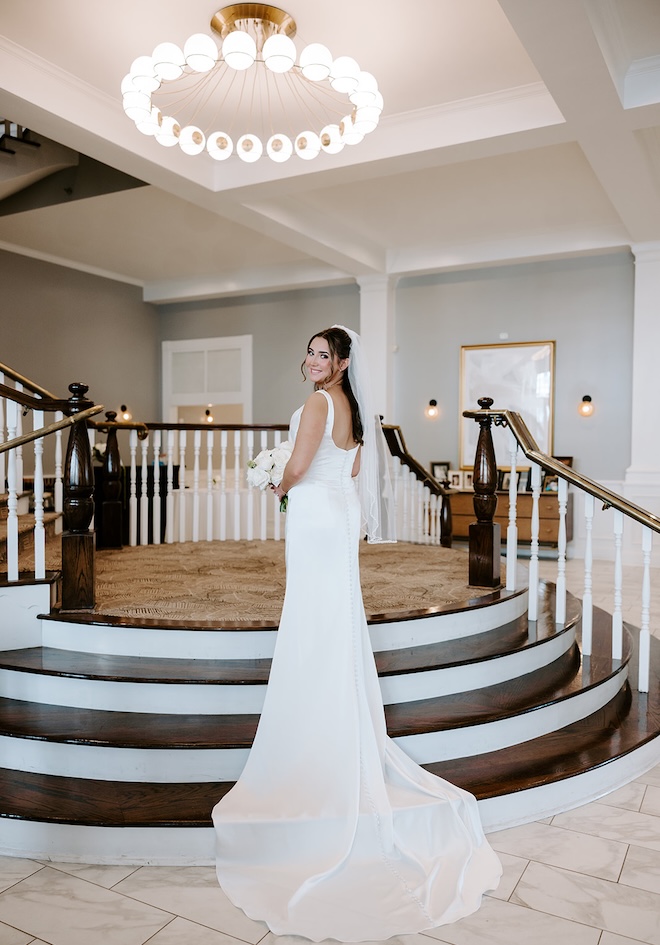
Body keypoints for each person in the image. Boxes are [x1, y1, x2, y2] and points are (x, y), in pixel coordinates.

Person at [212, 325, 501, 941]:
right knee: (332, 616)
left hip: (315, 519)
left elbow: (296, 465)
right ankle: (335, 710)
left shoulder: (319, 403)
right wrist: (298, 482)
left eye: (324, 354)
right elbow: (349, 470)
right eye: (310, 351)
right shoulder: (355, 409)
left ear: (342, 363)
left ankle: (318, 724)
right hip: (335, 517)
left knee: (315, 618)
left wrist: (272, 481)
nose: (313, 361)